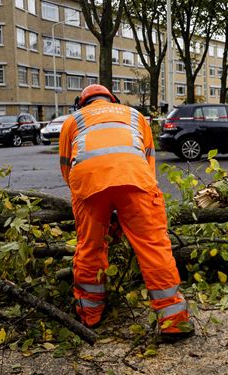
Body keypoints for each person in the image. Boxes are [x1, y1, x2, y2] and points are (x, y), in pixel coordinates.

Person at [59, 84, 193, 340]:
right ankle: (174, 322)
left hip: (88, 185)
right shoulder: (134, 115)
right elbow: (147, 159)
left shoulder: (72, 121)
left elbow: (67, 168)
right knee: (154, 247)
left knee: (90, 248)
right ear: (112, 99)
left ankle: (90, 315)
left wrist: (91, 200)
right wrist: (133, 205)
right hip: (136, 180)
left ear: (82, 103)